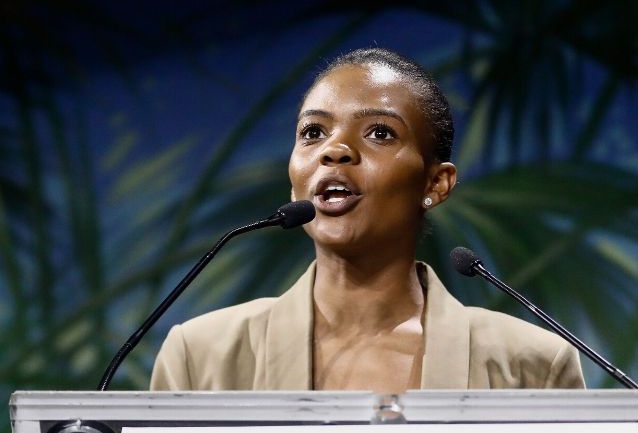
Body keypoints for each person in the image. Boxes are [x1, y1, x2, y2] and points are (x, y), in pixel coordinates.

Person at [150, 48, 584, 392]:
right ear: (294, 179)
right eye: (313, 133)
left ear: (435, 183)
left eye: (380, 132)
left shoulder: (532, 365)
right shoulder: (200, 357)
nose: (333, 150)